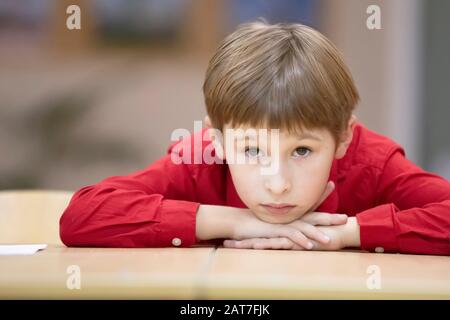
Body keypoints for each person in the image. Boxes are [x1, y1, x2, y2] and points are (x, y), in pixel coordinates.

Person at [60, 21, 450, 255]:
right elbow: (82, 216)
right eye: (250, 150)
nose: (277, 183)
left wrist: (343, 234)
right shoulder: (200, 159)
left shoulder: (371, 161)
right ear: (218, 140)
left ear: (343, 137)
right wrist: (234, 222)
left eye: (301, 150)